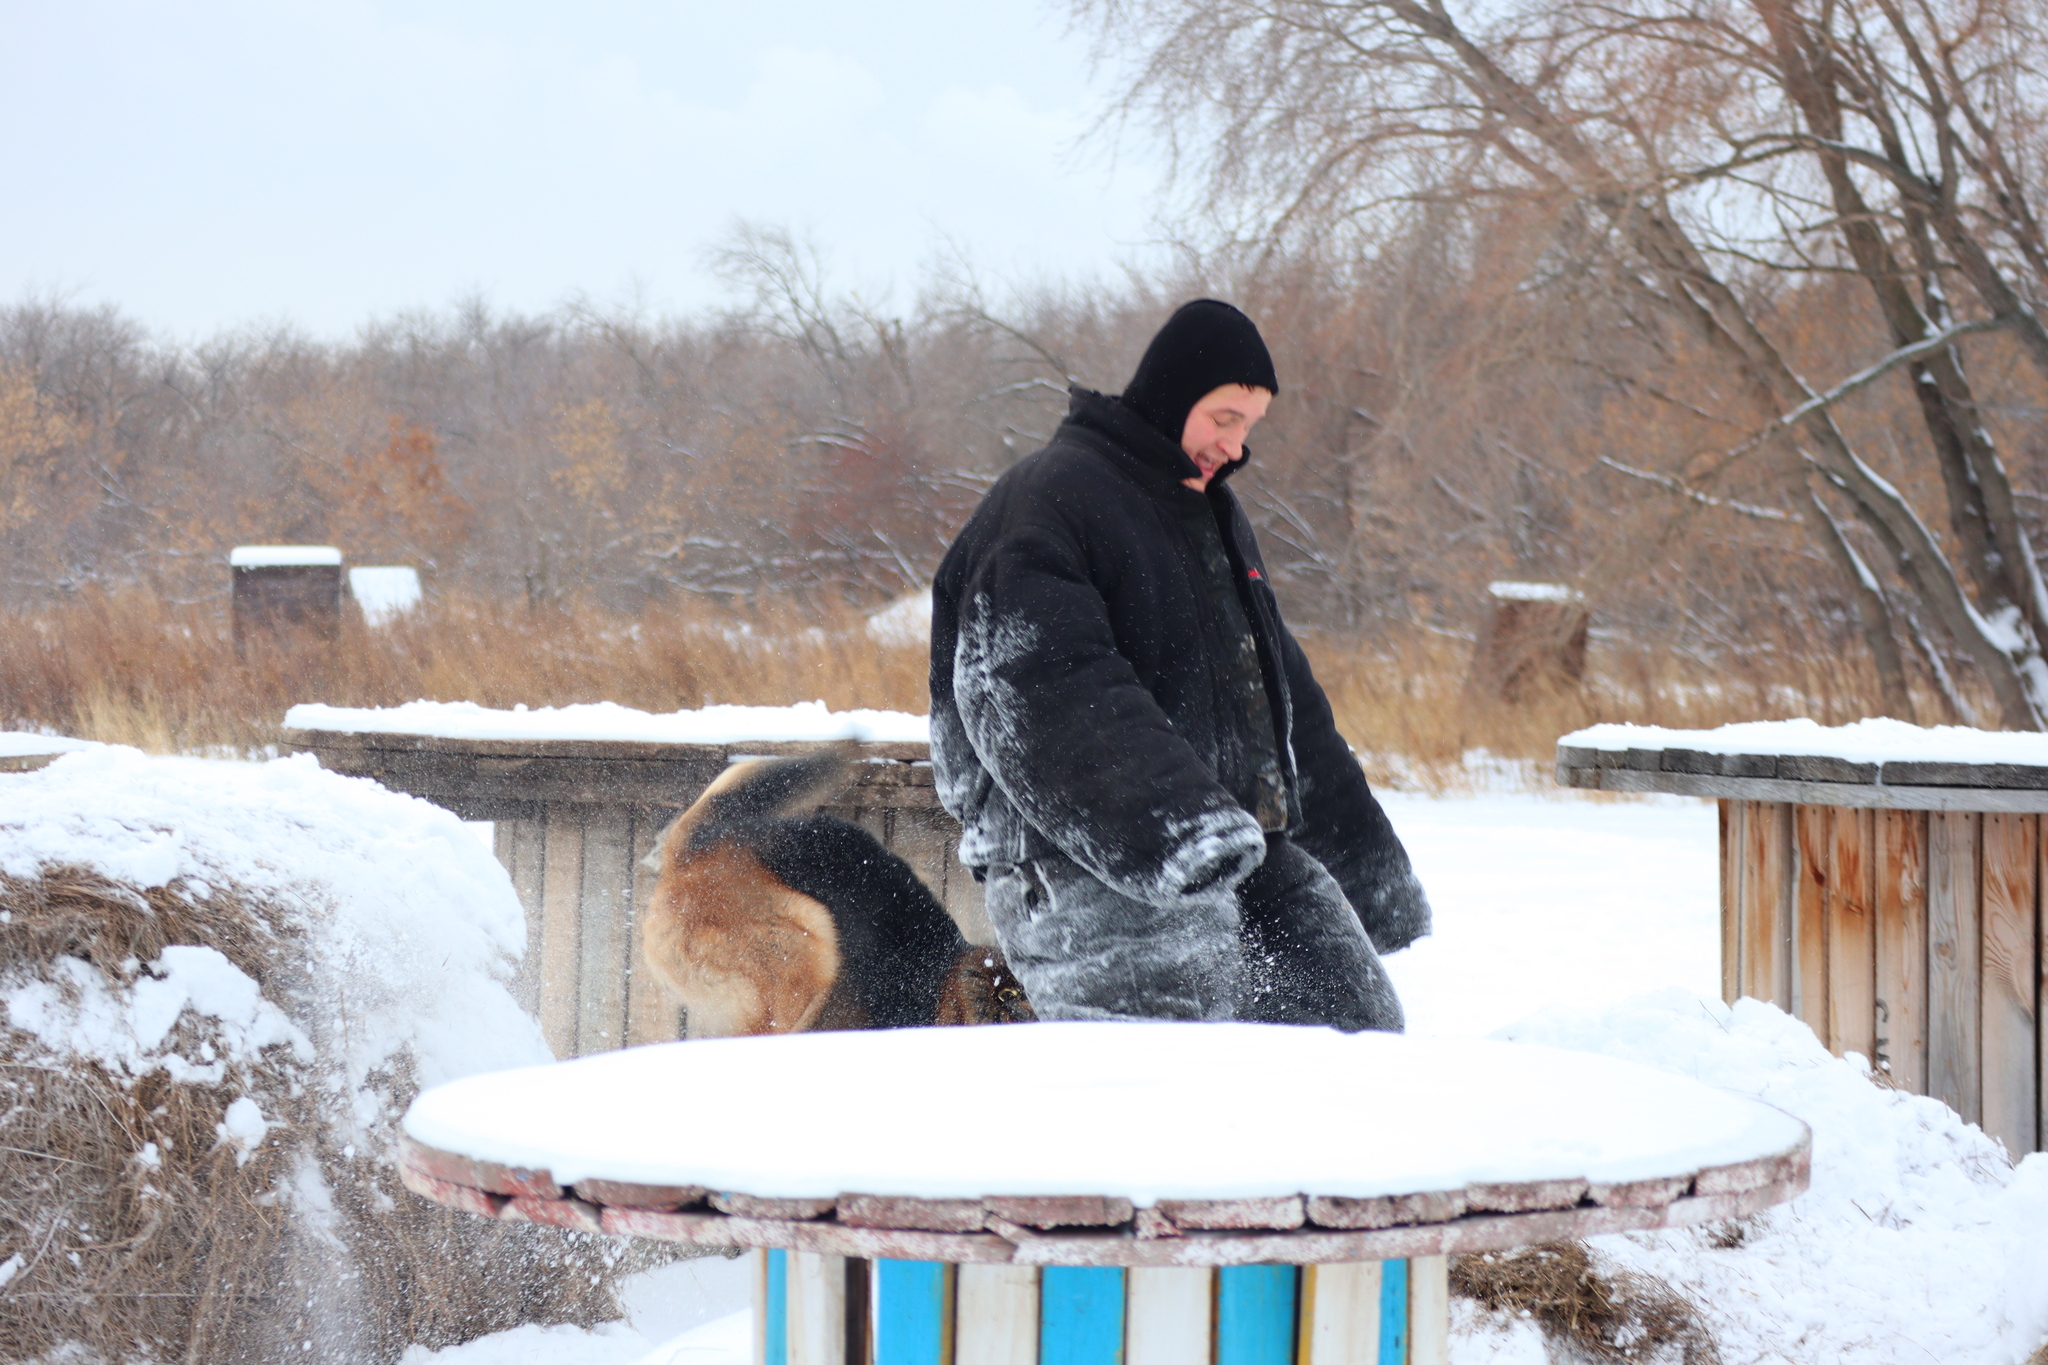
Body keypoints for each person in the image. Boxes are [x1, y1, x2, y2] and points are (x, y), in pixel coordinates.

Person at [928, 299, 1429, 1031]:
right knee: (1173, 1084)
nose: (1235, 443)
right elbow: (1037, 681)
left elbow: (1281, 705)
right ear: (1172, 391)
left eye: (1249, 426)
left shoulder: (1212, 518)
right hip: (1086, 864)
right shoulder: (1052, 499)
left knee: (1355, 1037)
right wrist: (1182, 830)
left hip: (1232, 853)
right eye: (1224, 417)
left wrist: (1365, 867)